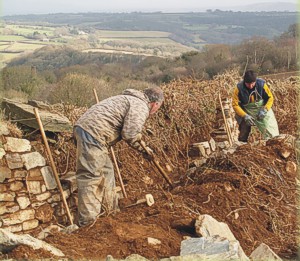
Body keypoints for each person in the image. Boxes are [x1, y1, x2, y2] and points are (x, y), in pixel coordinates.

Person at [73, 87, 164, 226]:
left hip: (88, 131)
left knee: (107, 171)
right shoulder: (140, 106)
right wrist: (145, 151)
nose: (156, 111)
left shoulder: (129, 99)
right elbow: (130, 134)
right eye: (158, 107)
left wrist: (145, 149)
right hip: (93, 134)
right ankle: (88, 223)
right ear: (155, 104)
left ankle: (110, 211)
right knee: (91, 176)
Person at [232, 70, 279, 142]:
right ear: (244, 82)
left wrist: (265, 109)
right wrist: (245, 115)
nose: (250, 86)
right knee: (243, 130)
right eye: (248, 84)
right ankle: (242, 145)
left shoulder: (262, 84)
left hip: (262, 108)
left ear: (255, 81)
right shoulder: (239, 88)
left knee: (270, 127)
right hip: (246, 111)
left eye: (252, 84)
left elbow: (270, 98)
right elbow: (235, 105)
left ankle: (273, 141)